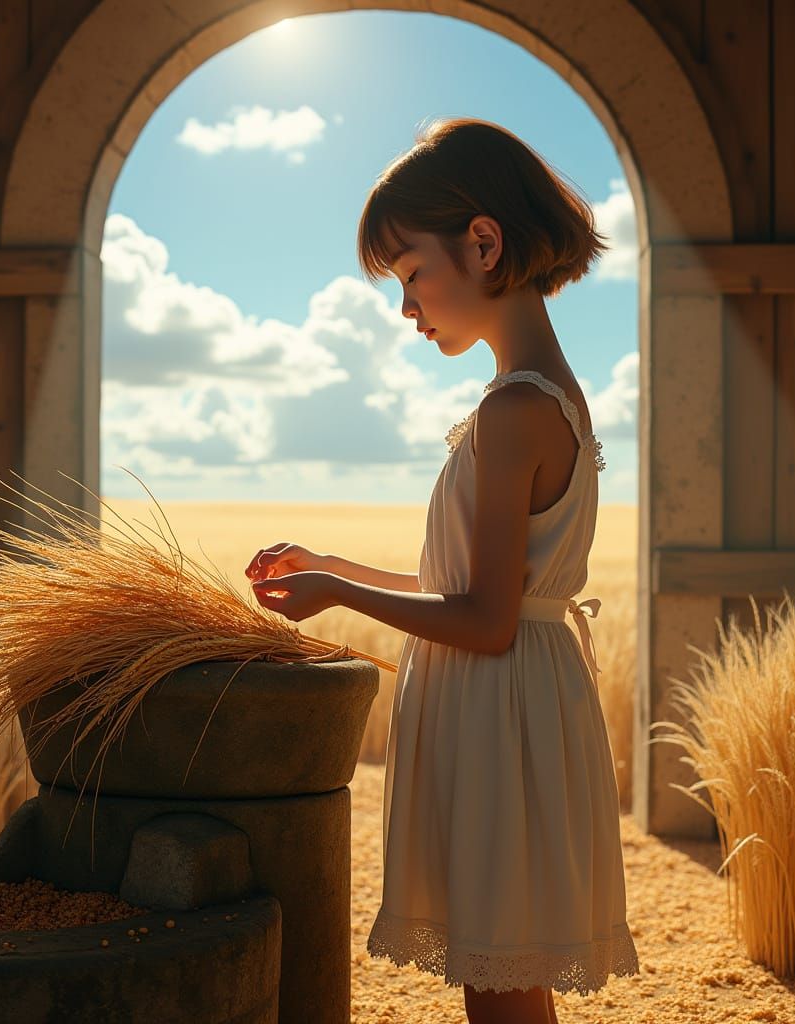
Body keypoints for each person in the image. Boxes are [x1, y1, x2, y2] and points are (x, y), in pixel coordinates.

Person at [244, 116, 640, 1024]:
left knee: (499, 981)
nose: (407, 307)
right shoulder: (535, 396)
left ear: (484, 243)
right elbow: (469, 585)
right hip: (512, 703)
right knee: (500, 970)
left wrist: (341, 595)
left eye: (412, 274)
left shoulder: (513, 413)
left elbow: (487, 621)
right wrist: (334, 561)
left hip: (500, 713)